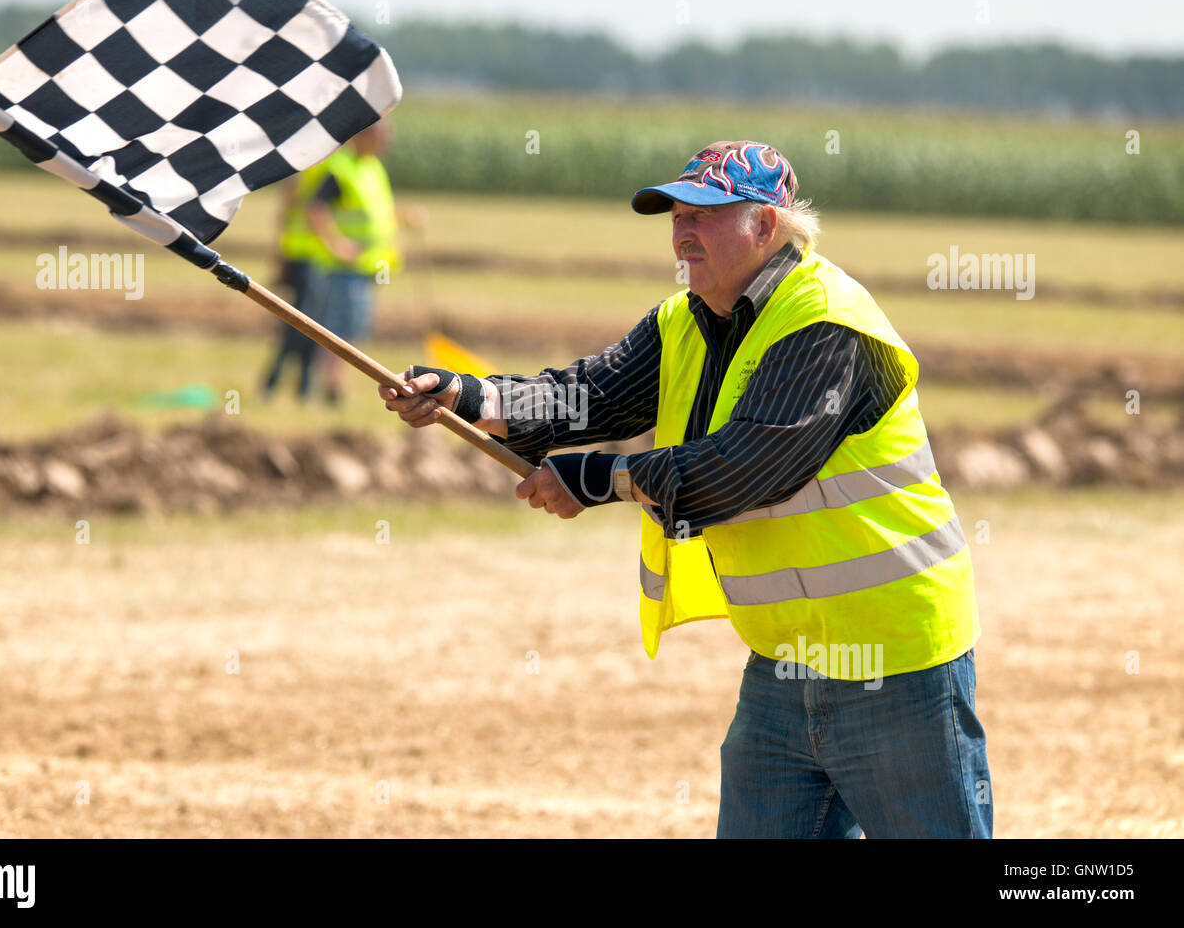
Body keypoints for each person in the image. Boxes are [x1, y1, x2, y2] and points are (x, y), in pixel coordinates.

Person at [380, 140, 992, 838]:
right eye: (674, 213)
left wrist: (601, 479)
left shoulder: (827, 322)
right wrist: (467, 395)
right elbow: (586, 398)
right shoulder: (683, 320)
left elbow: (748, 469)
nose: (680, 230)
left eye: (703, 212)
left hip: (899, 656)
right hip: (783, 663)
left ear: (765, 227)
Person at [263, 119, 401, 404]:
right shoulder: (339, 168)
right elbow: (311, 207)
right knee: (321, 329)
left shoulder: (371, 169)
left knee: (332, 329)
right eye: (383, 135)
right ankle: (306, 388)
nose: (388, 141)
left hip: (361, 268)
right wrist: (337, 245)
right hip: (330, 266)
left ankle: (301, 389)